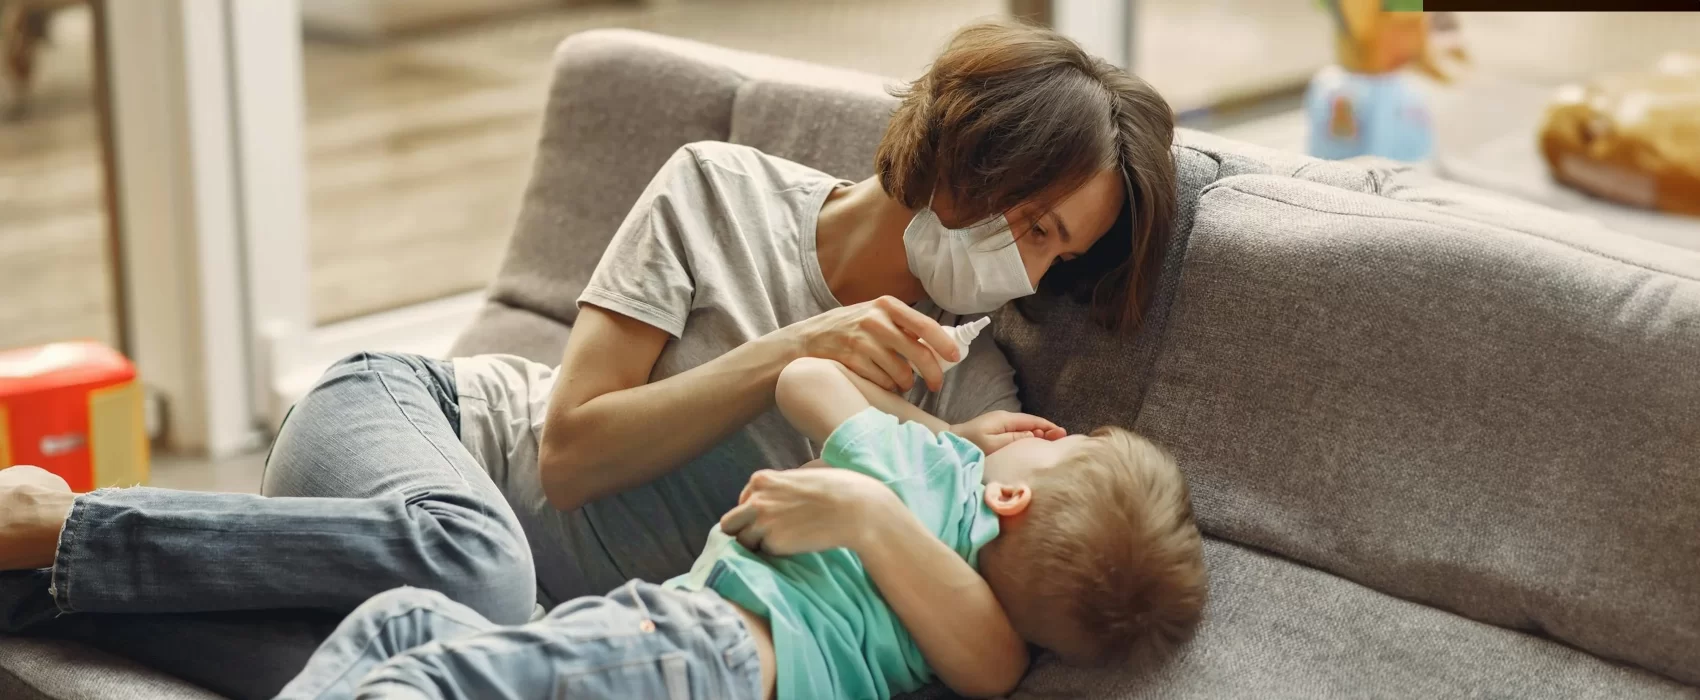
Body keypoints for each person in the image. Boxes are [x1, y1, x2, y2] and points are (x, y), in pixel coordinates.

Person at [0, 19, 1178, 698]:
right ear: (971, 150)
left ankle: (30, 591)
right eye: (1029, 221)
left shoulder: (971, 396)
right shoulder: (721, 190)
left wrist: (938, 441)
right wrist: (792, 347)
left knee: (422, 642)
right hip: (421, 436)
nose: (1025, 267)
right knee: (473, 569)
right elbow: (566, 456)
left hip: (546, 608)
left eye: (1054, 253)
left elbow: (978, 620)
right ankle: (65, 525)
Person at [275, 355, 1206, 700]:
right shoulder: (978, 637)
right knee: (403, 625)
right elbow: (1000, 668)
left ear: (1013, 497)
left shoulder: (931, 472)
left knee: (441, 680)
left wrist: (943, 433)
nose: (1052, 434)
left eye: (1065, 446)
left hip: (693, 646)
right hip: (687, 651)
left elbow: (804, 379)